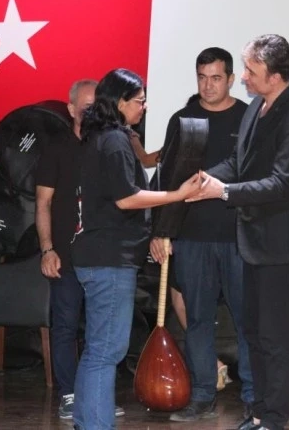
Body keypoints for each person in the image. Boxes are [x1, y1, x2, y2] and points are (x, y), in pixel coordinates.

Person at [186, 34, 289, 430]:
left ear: (275, 76)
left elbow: (284, 183)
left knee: (274, 338)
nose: (242, 77)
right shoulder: (257, 107)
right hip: (252, 241)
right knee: (255, 334)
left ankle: (273, 418)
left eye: (250, 70)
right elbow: (238, 161)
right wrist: (205, 179)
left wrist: (224, 192)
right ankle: (259, 411)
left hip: (280, 245)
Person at [70, 68, 201, 430]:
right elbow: (127, 199)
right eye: (140, 100)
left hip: (99, 257)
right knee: (107, 351)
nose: (144, 107)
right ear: (120, 102)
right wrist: (177, 194)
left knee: (97, 349)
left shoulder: (103, 138)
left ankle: (85, 421)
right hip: (109, 259)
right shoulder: (113, 140)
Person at [149, 47, 253, 422]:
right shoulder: (182, 119)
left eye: (216, 78)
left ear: (231, 79)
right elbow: (166, 180)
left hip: (239, 238)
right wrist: (160, 232)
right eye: (202, 78)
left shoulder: (249, 117)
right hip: (191, 237)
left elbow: (258, 175)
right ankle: (204, 395)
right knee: (197, 319)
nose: (208, 86)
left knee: (247, 321)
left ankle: (254, 398)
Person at [35, 79, 114, 420]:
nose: (93, 112)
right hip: (65, 257)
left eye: (97, 106)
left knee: (101, 331)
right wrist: (47, 250)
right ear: (70, 109)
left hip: (102, 257)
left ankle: (95, 397)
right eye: (86, 107)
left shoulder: (109, 145)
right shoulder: (56, 148)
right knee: (65, 326)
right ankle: (69, 394)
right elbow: (43, 203)